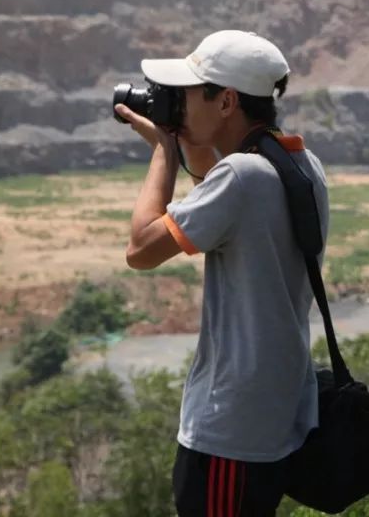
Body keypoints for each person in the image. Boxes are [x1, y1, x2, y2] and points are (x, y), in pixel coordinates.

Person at [117, 30, 328, 517]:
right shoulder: (302, 164)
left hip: (228, 430)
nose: (178, 105)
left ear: (227, 100)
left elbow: (141, 249)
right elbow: (225, 198)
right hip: (272, 416)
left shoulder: (242, 177)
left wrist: (163, 152)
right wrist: (188, 146)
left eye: (188, 94)